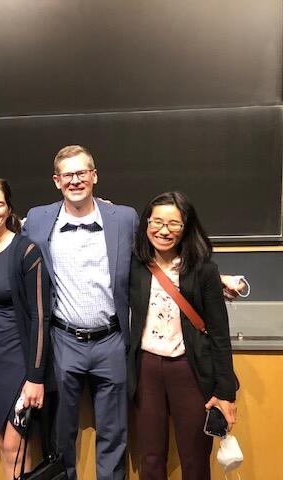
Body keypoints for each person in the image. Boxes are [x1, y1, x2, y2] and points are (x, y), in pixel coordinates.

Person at [22, 145, 138, 480]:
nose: (75, 180)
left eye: (81, 173)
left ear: (94, 175)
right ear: (56, 181)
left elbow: (154, 262)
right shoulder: (40, 218)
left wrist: (214, 279)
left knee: (114, 433)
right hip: (63, 340)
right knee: (61, 435)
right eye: (67, 175)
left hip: (112, 340)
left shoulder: (124, 218)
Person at [127, 191, 237, 479]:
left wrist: (225, 392)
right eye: (157, 222)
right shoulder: (134, 265)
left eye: (174, 224)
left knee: (195, 459)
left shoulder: (203, 270)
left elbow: (220, 335)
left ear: (186, 226)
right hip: (146, 368)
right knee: (150, 458)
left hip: (189, 369)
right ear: (146, 224)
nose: (164, 231)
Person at [0, 178, 51, 479]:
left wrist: (35, 377)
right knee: (9, 448)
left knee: (14, 448)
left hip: (20, 364)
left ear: (8, 210)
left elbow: (41, 317)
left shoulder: (27, 251)